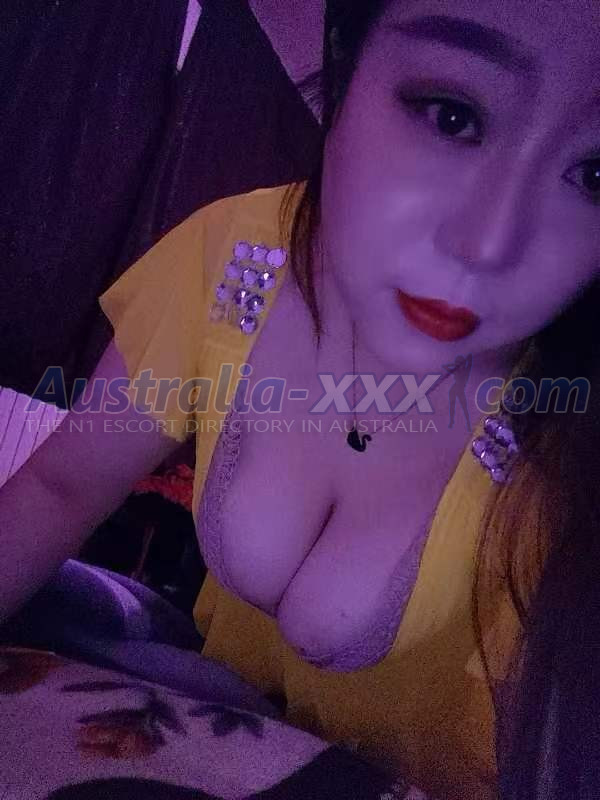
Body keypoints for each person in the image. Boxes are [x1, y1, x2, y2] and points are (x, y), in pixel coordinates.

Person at [2, 1, 600, 797]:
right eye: (452, 115)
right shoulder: (236, 263)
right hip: (208, 747)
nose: (488, 244)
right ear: (345, 62)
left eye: (597, 175)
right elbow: (59, 486)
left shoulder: (565, 437)